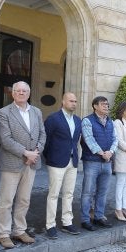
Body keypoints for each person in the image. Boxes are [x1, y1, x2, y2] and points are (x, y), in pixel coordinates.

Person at [0, 81, 46, 249]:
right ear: (13, 93)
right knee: (7, 200)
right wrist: (26, 153)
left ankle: (19, 230)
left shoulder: (37, 112)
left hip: (31, 163)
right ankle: (3, 233)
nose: (21, 93)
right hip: (12, 162)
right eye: (18, 91)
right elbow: (5, 139)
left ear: (29, 93)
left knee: (24, 199)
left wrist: (37, 151)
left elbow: (42, 134)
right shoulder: (3, 112)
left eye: (24, 91)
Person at [43, 92, 82, 239]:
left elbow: (76, 140)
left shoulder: (78, 120)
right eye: (71, 101)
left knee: (69, 194)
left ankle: (67, 222)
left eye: (75, 101)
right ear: (63, 102)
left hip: (73, 162)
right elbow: (45, 141)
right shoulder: (53, 119)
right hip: (56, 162)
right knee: (53, 194)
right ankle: (50, 225)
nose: (74, 103)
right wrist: (50, 157)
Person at [80, 96, 118, 231]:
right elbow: (89, 140)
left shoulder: (110, 121)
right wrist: (103, 153)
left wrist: (111, 152)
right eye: (103, 104)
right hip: (92, 161)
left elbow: (115, 139)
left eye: (107, 104)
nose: (106, 106)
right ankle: (85, 219)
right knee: (87, 192)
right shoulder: (87, 121)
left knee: (102, 192)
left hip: (107, 161)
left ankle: (98, 217)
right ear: (95, 106)